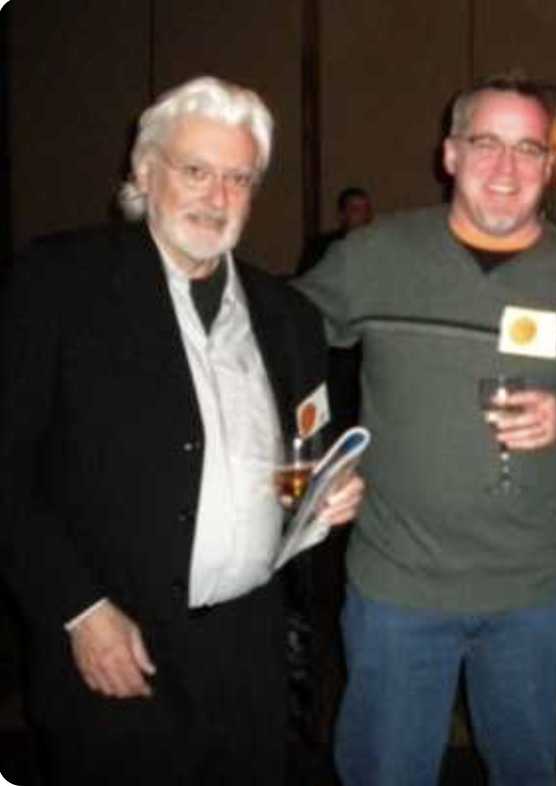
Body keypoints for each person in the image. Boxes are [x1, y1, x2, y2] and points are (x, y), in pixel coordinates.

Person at [0, 76, 364, 786]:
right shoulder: (59, 285)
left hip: (251, 651)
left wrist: (325, 491)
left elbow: (302, 452)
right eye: (196, 170)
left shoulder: (286, 315)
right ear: (144, 171)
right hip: (117, 643)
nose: (217, 197)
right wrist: (77, 609)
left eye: (238, 178)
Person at [294, 74, 556, 785]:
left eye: (528, 148)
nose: (507, 168)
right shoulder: (375, 256)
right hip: (399, 587)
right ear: (450, 154)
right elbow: (274, 349)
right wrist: (316, 460)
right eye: (486, 144)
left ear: (550, 165)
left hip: (532, 592)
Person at [296, 186, 374, 277]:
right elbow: (305, 280)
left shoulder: (377, 243)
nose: (364, 215)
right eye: (356, 210)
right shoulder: (320, 246)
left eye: (367, 210)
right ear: (342, 215)